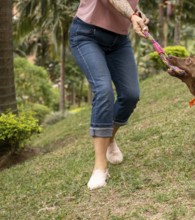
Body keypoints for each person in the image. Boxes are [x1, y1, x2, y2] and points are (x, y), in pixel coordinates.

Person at [69, 0, 149, 190]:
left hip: (119, 41)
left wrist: (138, 13)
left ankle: (110, 138)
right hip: (86, 35)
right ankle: (99, 168)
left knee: (130, 95)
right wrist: (131, 16)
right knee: (103, 89)